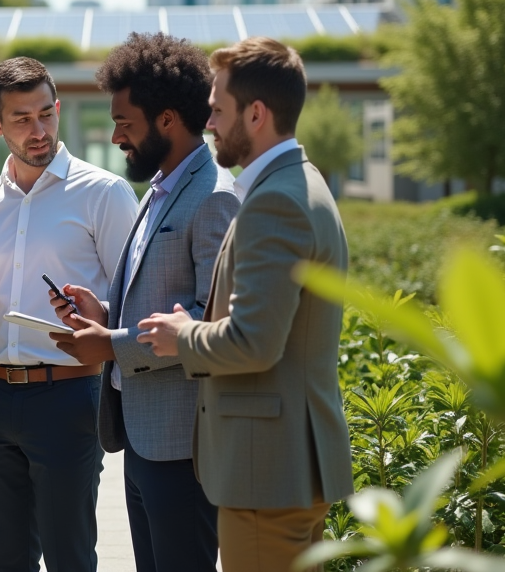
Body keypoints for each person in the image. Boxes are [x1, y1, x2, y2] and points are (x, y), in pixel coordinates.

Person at [138, 37, 354, 572]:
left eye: (217, 110)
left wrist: (181, 336)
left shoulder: (276, 201)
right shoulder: (298, 185)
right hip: (283, 467)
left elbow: (254, 342)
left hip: (267, 473)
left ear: (256, 114)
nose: (208, 122)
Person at [48, 34, 238, 572]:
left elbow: (212, 322)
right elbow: (160, 298)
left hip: (184, 444)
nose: (115, 137)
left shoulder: (214, 195)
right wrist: (105, 315)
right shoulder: (159, 189)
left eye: (125, 123)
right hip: (144, 435)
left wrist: (110, 345)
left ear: (169, 120)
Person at [0, 57, 139, 572]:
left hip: (69, 398)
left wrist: (97, 312)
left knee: (68, 556)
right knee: (7, 560)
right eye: (21, 119)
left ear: (58, 109)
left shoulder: (104, 193)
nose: (38, 130)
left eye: (46, 114)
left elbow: (134, 299)